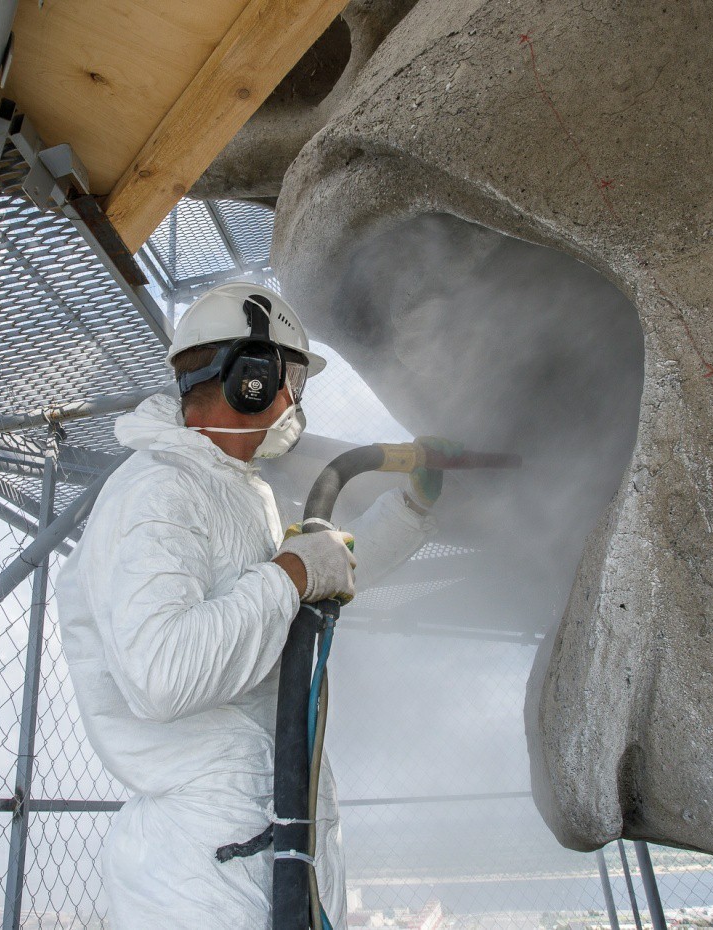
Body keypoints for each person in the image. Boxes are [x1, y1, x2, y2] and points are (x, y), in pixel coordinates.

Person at [54, 283, 448, 928]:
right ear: (254, 380)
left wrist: (410, 511)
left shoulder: (231, 490)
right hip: (204, 873)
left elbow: (300, 592)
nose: (295, 400)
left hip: (257, 831)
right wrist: (289, 573)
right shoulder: (160, 490)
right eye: (292, 379)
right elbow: (163, 674)